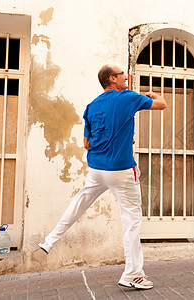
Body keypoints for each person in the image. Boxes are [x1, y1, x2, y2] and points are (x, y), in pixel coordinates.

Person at [38, 64, 167, 290]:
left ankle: (50, 240)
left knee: (79, 203)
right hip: (122, 170)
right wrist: (153, 94)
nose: (126, 77)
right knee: (132, 221)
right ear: (112, 79)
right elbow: (162, 105)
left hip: (97, 169)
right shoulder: (128, 97)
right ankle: (133, 275)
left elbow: (86, 143)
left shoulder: (91, 106)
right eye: (122, 75)